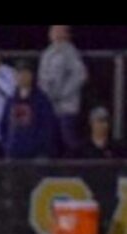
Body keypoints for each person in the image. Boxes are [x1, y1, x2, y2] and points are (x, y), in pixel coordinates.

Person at [38, 25, 88, 155]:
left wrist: (62, 93)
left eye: (60, 31)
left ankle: (75, 163)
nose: (57, 34)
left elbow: (80, 75)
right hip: (50, 105)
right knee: (51, 139)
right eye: (54, 31)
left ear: (66, 34)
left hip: (67, 106)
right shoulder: (47, 53)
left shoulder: (71, 52)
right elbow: (42, 77)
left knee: (68, 138)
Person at [0, 60, 58, 159]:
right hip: (14, 153)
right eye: (19, 74)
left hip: (37, 155)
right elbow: (3, 124)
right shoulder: (11, 100)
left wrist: (40, 146)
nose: (22, 77)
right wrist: (8, 145)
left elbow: (48, 126)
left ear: (31, 76)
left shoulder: (41, 100)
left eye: (25, 73)